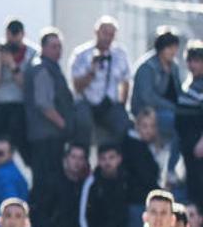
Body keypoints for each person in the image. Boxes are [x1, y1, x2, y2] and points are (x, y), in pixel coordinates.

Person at [70, 16, 133, 147]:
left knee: (124, 124)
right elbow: (77, 87)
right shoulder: (81, 54)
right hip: (87, 102)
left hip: (109, 103)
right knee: (82, 123)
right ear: (97, 32)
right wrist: (91, 71)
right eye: (105, 33)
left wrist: (122, 105)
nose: (108, 38)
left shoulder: (120, 54)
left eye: (111, 34)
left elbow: (125, 81)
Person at [0, 19, 38, 163]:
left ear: (23, 34)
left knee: (17, 125)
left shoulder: (32, 54)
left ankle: (21, 161)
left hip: (20, 104)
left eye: (16, 33)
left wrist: (12, 65)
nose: (13, 38)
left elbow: (27, 87)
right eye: (10, 34)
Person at [24, 28, 75, 181]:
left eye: (60, 46)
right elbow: (44, 105)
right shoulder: (42, 69)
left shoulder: (51, 67)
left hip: (51, 136)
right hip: (46, 138)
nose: (58, 50)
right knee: (46, 183)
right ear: (43, 47)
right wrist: (65, 126)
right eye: (54, 46)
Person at [81, 144, 133, 227]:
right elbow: (83, 218)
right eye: (103, 158)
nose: (107, 162)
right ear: (98, 160)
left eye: (111, 157)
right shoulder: (91, 183)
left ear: (119, 159)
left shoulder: (127, 180)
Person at [123, 108, 182, 225]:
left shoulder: (150, 146)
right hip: (137, 203)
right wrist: (164, 192)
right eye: (145, 126)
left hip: (147, 201)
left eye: (152, 126)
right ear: (137, 126)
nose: (148, 130)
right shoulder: (134, 146)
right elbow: (146, 177)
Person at [130, 27, 183, 147]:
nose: (173, 52)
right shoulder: (147, 67)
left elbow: (178, 92)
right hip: (146, 111)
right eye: (169, 48)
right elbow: (148, 97)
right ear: (161, 48)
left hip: (168, 109)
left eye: (175, 48)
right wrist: (173, 107)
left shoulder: (173, 66)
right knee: (177, 123)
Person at [178, 41, 203, 207]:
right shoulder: (187, 85)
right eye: (190, 60)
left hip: (198, 145)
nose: (193, 65)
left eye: (197, 61)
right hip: (187, 146)